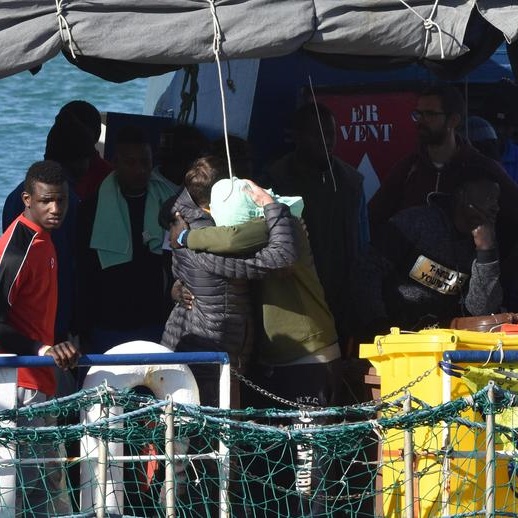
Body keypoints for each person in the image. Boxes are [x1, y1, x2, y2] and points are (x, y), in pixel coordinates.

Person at [170, 176, 343, 516]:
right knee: (281, 470)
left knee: (307, 475)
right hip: (278, 360)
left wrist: (184, 236)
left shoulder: (280, 225)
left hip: (307, 357)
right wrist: (178, 288)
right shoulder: (271, 226)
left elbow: (231, 238)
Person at [161, 159, 299, 408]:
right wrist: (275, 211)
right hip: (210, 351)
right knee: (211, 437)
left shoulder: (183, 219)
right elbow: (280, 259)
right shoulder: (208, 242)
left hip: (194, 343)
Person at [0, 161, 81, 516]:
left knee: (49, 480)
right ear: (27, 199)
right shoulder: (19, 247)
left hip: (41, 380)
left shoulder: (45, 240)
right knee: (33, 488)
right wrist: (40, 349)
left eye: (61, 201)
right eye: (47, 201)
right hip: (20, 383)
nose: (56, 209)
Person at [369, 84, 518, 258]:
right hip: (411, 279)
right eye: (418, 114)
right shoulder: (408, 168)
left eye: (430, 114)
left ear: (453, 120)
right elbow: (372, 220)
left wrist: (505, 274)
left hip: (469, 279)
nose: (421, 121)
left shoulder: (483, 169)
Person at [268, 102, 369, 354]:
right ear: (298, 136)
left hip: (342, 290)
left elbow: (363, 239)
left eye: (331, 133)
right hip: (295, 291)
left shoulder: (351, 181)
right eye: (317, 134)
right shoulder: (275, 178)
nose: (326, 141)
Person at [353, 174, 502, 341]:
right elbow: (367, 270)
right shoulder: (415, 222)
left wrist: (485, 253)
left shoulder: (485, 241)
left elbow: (480, 311)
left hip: (442, 345)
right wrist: (377, 324)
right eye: (489, 197)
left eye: (497, 200)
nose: (496, 207)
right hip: (389, 337)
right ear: (462, 194)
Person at [76, 125, 176, 354]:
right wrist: (83, 326)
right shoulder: (93, 208)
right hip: (107, 321)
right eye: (131, 163)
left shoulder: (168, 204)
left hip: (154, 318)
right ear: (115, 162)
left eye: (145, 162)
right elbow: (83, 271)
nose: (140, 170)